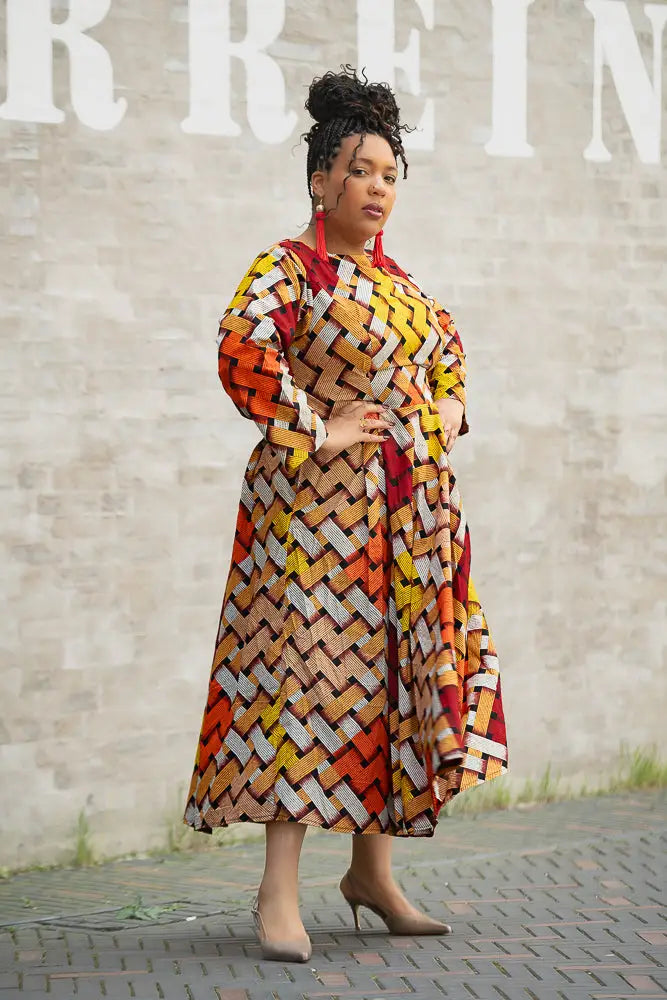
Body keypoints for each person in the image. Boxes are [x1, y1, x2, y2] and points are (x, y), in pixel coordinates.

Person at [183, 66, 508, 963]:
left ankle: (372, 874)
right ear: (319, 180)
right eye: (359, 171)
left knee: (394, 680)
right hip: (312, 516)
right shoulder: (288, 268)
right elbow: (241, 347)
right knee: (303, 678)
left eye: (389, 175)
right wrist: (313, 428)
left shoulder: (398, 280)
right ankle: (276, 892)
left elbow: (448, 354)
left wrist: (448, 410)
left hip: (408, 516)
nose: (376, 188)